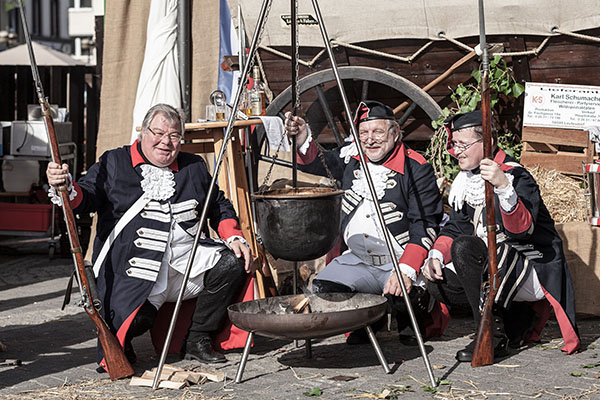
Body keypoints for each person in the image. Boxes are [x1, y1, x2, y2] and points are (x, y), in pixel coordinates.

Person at [46, 103, 251, 370]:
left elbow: (218, 205)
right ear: (143, 131)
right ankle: (124, 344)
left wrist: (233, 236)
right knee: (137, 319)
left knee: (234, 263)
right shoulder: (114, 162)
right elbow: (85, 199)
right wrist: (65, 186)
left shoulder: (194, 166)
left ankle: (197, 338)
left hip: (186, 264)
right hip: (136, 272)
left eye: (175, 136)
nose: (166, 142)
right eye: (158, 133)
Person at [422, 110, 580, 362]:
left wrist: (504, 187)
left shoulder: (516, 176)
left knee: (466, 249)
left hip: (529, 267)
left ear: (488, 143)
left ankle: (489, 335)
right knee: (437, 281)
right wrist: (436, 255)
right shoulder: (466, 181)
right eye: (454, 144)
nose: (456, 151)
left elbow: (522, 231)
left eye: (463, 145)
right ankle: (514, 320)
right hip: (493, 269)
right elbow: (455, 227)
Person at [285, 101, 444, 344]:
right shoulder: (352, 157)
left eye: (378, 132)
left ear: (395, 133)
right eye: (364, 133)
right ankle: (370, 320)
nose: (370, 140)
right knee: (324, 289)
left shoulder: (417, 168)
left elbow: (424, 224)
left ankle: (412, 319)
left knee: (405, 298)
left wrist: (405, 270)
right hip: (359, 259)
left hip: (399, 260)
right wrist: (303, 134)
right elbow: (322, 163)